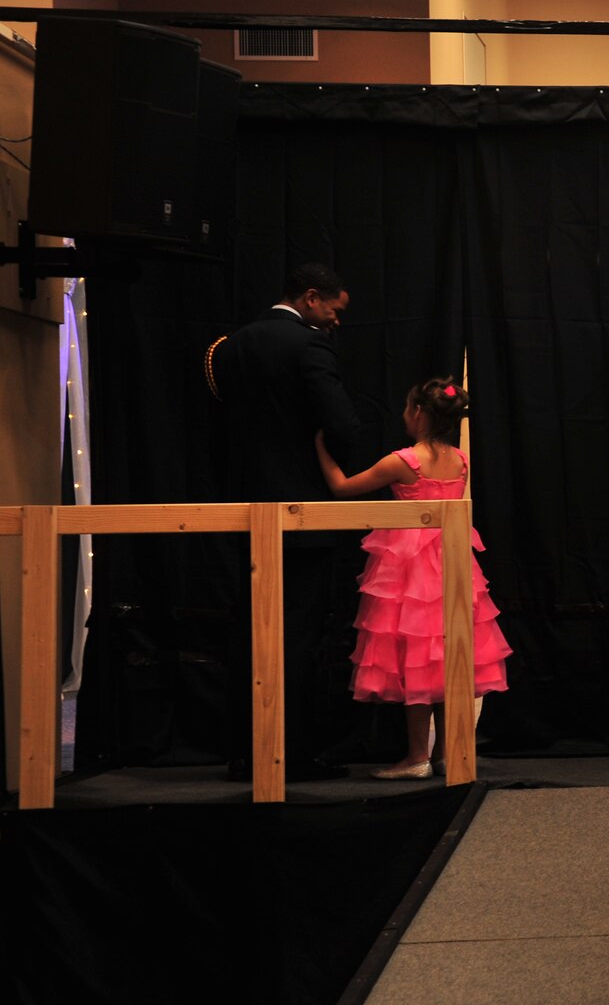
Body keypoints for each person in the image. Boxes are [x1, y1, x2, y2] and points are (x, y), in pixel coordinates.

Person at [207, 262, 362, 782]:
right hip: (299, 512)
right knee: (297, 636)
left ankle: (242, 752)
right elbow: (341, 424)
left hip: (242, 511)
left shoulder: (228, 347)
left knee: (248, 633)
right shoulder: (310, 346)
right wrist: (332, 452)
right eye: (335, 310)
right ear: (312, 298)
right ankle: (290, 755)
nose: (337, 321)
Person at [315, 376, 512, 778]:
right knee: (443, 655)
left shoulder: (403, 461)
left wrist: (320, 448)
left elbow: (341, 488)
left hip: (410, 567)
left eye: (408, 407)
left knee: (417, 658)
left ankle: (418, 756)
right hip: (454, 563)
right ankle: (443, 754)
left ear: (418, 413)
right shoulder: (461, 460)